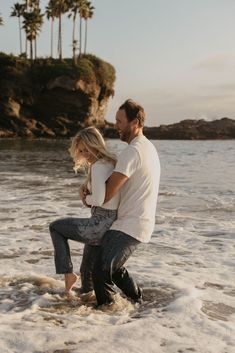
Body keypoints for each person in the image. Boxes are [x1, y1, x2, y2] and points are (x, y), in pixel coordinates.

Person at [90, 99, 161, 306]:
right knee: (114, 268)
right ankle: (139, 303)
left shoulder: (132, 151)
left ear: (135, 122)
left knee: (101, 270)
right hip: (139, 222)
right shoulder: (148, 147)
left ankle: (108, 312)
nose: (116, 126)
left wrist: (88, 192)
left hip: (130, 224)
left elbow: (107, 193)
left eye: (120, 121)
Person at [49, 127, 120, 298]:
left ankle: (67, 273)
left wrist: (85, 199)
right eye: (80, 150)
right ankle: (89, 310)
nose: (84, 153)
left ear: (95, 143)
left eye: (86, 148)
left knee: (56, 227)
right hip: (109, 223)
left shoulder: (98, 166)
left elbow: (98, 200)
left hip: (99, 223)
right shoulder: (108, 163)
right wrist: (84, 187)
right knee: (86, 272)